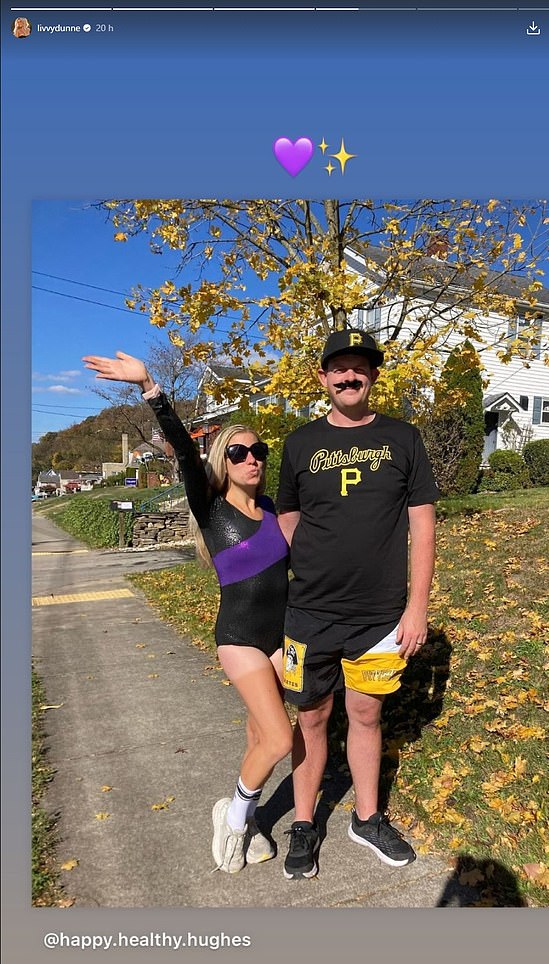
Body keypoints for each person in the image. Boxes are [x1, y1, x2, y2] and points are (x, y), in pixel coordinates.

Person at [82, 351, 293, 874]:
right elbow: (181, 448)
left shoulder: (271, 511)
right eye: (240, 451)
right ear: (223, 460)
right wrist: (151, 386)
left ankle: (248, 816)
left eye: (259, 450)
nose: (252, 458)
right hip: (241, 639)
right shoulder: (211, 506)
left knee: (257, 736)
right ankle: (234, 819)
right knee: (281, 738)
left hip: (278, 639)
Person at [276, 329, 439, 879]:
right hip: (309, 613)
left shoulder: (403, 439)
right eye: (339, 369)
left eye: (360, 368)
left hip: (378, 616)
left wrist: (416, 607)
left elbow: (423, 525)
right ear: (323, 378)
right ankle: (304, 823)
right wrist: (314, 556)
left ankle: (366, 818)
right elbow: (287, 513)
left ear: (372, 376)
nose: (350, 377)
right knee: (311, 716)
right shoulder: (298, 443)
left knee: (367, 714)